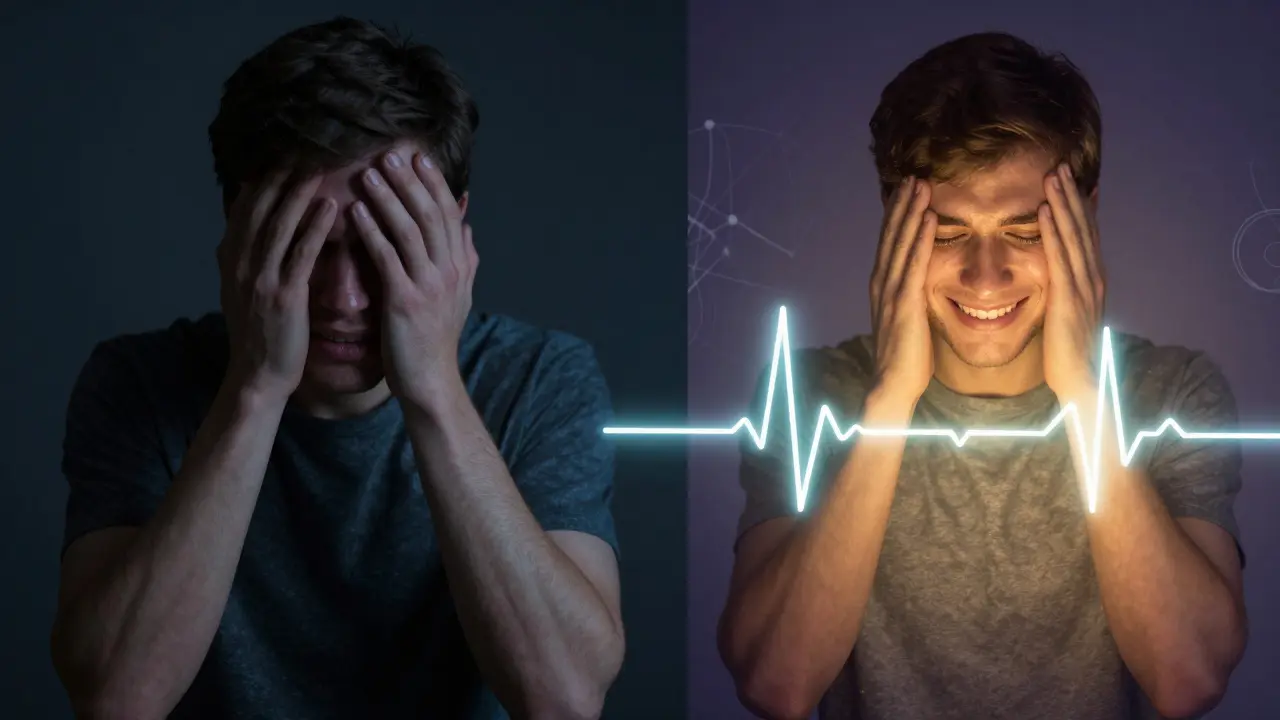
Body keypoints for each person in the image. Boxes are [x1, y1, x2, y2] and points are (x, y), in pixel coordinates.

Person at [50, 17, 624, 720]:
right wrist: (257, 387)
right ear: (236, 229)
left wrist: (435, 388)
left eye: (387, 246)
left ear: (454, 232)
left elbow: (564, 699)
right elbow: (114, 698)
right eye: (309, 245)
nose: (345, 299)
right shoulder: (137, 385)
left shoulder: (541, 379)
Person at [717, 32, 1247, 720]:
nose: (985, 274)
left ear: (1085, 217)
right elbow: (775, 687)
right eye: (946, 232)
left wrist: (1083, 392)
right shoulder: (806, 394)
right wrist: (891, 399)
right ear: (894, 225)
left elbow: (1190, 681)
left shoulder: (1175, 392)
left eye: (1026, 232)